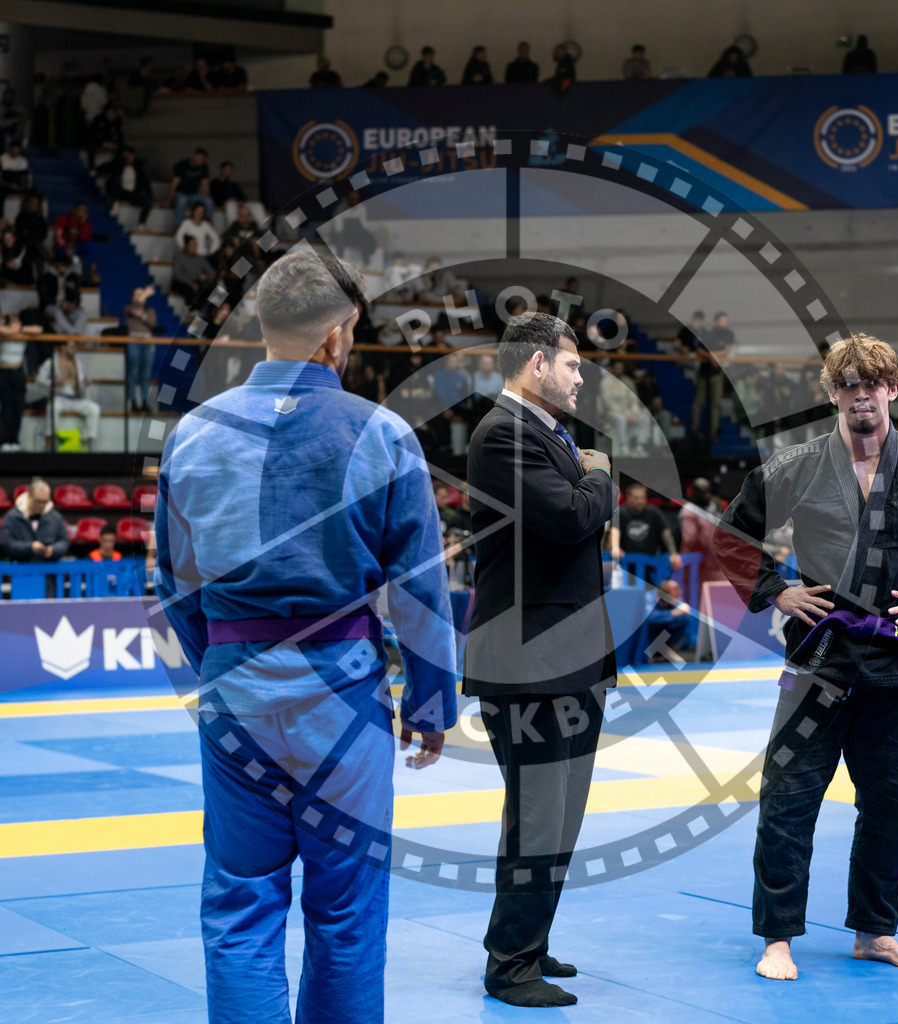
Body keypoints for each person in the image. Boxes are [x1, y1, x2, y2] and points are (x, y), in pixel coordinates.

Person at [154, 250, 457, 1024]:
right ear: (336, 336)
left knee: (241, 905)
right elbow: (419, 588)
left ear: (265, 327)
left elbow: (175, 587)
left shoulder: (193, 433)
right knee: (346, 912)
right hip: (341, 696)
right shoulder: (383, 433)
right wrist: (431, 703)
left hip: (235, 687)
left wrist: (221, 663)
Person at [716, 332, 898, 982]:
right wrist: (777, 591)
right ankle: (778, 939)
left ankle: (875, 932)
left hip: (894, 666)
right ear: (831, 393)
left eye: (871, 384)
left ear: (893, 390)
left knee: (896, 808)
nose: (860, 397)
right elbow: (733, 535)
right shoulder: (796, 465)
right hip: (817, 664)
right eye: (847, 385)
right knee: (788, 803)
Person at [463, 311, 617, 1008]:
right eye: (573, 365)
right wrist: (601, 476)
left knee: (563, 814)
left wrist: (585, 470)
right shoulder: (503, 435)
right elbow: (570, 518)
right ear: (536, 365)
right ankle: (510, 965)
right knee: (539, 811)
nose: (580, 377)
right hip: (527, 657)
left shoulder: (546, 434)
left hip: (569, 651)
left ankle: (532, 936)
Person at [36, 339, 101, 449]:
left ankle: (87, 441)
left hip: (76, 399)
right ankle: (49, 440)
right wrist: (52, 383)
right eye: (72, 347)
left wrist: (84, 384)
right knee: (52, 408)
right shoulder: (52, 362)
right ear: (63, 347)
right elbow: (39, 379)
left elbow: (79, 384)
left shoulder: (77, 363)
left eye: (75, 347)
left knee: (94, 408)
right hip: (60, 397)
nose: (75, 350)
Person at [609, 482, 680, 569]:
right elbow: (615, 531)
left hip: (650, 562)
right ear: (628, 497)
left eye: (642, 498)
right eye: (636, 498)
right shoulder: (620, 512)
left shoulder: (653, 511)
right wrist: (615, 547)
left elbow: (666, 532)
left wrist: (673, 553)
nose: (640, 501)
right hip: (626, 563)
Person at [0, 478, 70, 562]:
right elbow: (6, 544)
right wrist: (30, 547)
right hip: (20, 571)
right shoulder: (12, 517)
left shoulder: (56, 517)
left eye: (45, 502)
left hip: (48, 571)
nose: (41, 506)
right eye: (38, 501)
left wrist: (53, 550)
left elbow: (64, 542)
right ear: (29, 496)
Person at [689, 311, 733, 443]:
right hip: (704, 373)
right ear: (716, 322)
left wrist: (716, 356)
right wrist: (710, 356)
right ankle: (695, 427)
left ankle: (713, 431)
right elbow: (699, 349)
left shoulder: (729, 334)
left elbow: (727, 350)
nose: (725, 323)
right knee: (699, 401)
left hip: (717, 373)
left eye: (726, 320)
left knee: (715, 403)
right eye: (722, 320)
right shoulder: (708, 334)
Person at [0, 314, 42, 451]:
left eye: (18, 320)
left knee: (18, 406)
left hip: (18, 371)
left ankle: (15, 440)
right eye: (12, 320)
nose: (15, 323)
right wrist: (13, 330)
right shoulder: (4, 330)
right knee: (6, 407)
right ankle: (5, 440)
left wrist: (21, 328)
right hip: (4, 370)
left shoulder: (23, 330)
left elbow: (39, 329)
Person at [124, 285, 158, 412]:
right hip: (133, 341)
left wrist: (144, 295)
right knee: (132, 372)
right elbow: (136, 312)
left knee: (146, 374)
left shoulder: (151, 311)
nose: (140, 297)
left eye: (142, 294)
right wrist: (146, 294)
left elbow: (152, 323)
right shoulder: (128, 309)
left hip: (147, 342)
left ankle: (145, 400)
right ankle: (132, 400)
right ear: (132, 298)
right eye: (137, 295)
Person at [165, 147, 213, 226]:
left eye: (203, 159)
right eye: (200, 159)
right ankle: (179, 228)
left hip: (195, 194)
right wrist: (168, 200)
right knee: (181, 200)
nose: (201, 161)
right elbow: (174, 184)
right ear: (195, 156)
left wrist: (206, 196)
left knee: (209, 201)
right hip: (181, 193)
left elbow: (205, 184)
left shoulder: (203, 166)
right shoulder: (182, 165)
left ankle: (207, 227)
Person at [106, 146, 153, 226]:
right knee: (115, 180)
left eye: (131, 155)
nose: (129, 158)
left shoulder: (139, 168)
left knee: (147, 201)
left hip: (133, 193)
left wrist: (150, 195)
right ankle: (115, 204)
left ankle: (141, 223)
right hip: (121, 193)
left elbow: (145, 182)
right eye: (126, 156)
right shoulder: (118, 167)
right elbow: (107, 170)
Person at [171, 235, 214, 305]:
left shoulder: (200, 258)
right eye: (192, 245)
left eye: (195, 244)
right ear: (186, 246)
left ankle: (213, 309)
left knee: (210, 286)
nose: (194, 247)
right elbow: (177, 274)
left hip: (197, 281)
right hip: (182, 283)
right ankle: (191, 310)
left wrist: (205, 277)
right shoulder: (179, 257)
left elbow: (211, 272)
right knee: (188, 289)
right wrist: (190, 283)